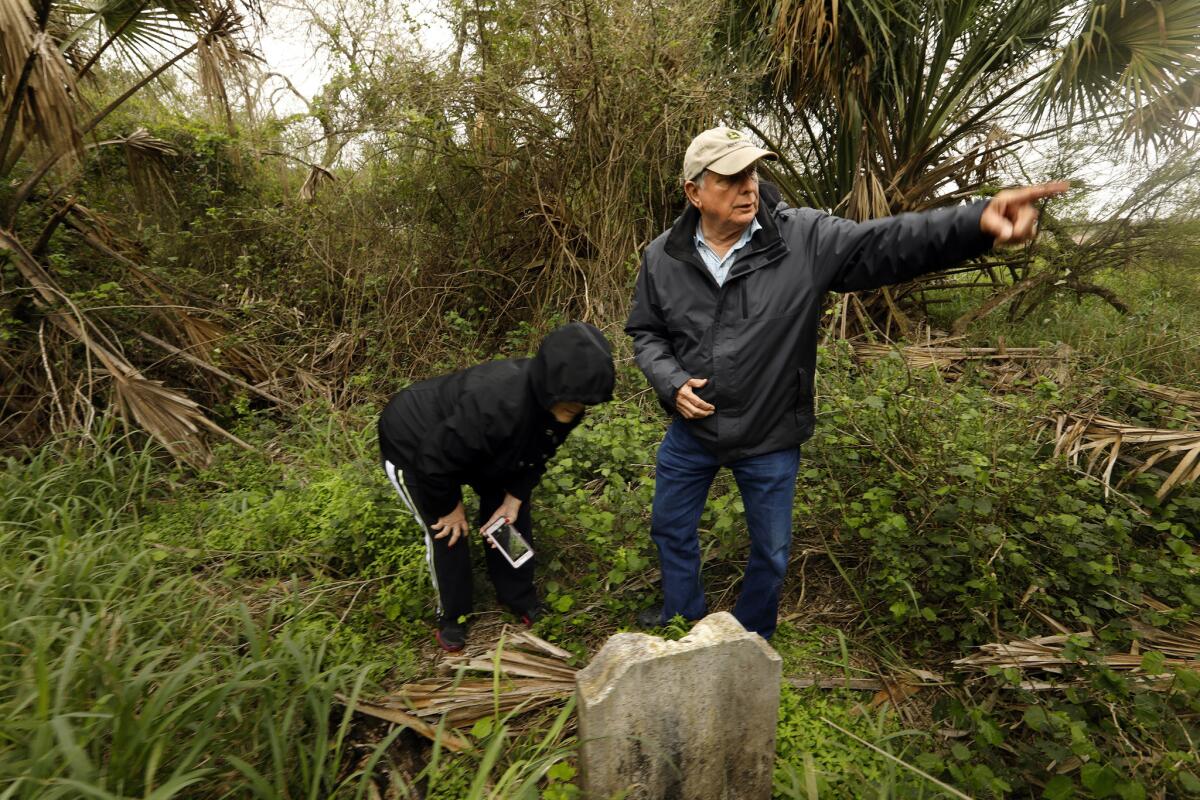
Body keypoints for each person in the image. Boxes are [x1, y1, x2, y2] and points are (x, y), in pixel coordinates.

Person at [626, 126, 1068, 639]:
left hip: (769, 434)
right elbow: (646, 331)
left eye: (751, 172)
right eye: (729, 178)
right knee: (670, 527)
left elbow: (885, 243)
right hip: (692, 431)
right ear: (694, 192)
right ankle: (682, 610)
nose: (748, 186)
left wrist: (975, 223)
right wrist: (671, 380)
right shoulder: (662, 257)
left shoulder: (803, 238)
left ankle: (750, 636)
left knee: (770, 551)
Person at [378, 321, 615, 651]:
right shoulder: (496, 404)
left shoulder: (562, 404)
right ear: (549, 389)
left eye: (580, 408)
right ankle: (453, 615)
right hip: (415, 442)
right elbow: (434, 459)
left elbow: (538, 454)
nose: (575, 415)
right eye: (570, 408)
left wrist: (515, 497)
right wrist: (450, 507)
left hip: (478, 446)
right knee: (448, 531)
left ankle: (517, 595)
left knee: (508, 517)